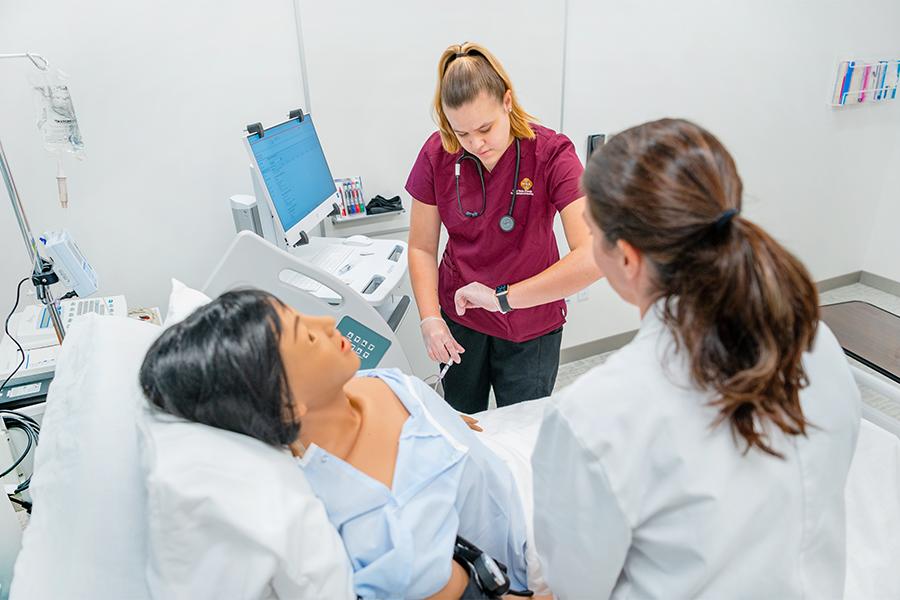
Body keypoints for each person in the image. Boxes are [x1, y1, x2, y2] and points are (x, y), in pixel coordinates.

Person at [531, 118, 861, 598]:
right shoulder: (814, 343)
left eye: (591, 236)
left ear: (626, 258)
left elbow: (575, 587)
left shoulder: (596, 416)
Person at [139, 289, 532, 599]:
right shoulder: (379, 530)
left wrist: (442, 421)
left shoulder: (379, 383)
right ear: (288, 403)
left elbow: (426, 415)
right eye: (307, 335)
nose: (326, 321)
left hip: (513, 474)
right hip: (520, 563)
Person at [405, 42, 602, 413]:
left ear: (507, 102)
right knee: (463, 423)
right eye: (462, 133)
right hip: (460, 321)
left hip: (531, 322)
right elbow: (421, 248)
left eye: (485, 128)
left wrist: (502, 299)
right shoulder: (437, 152)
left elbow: (593, 255)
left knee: (523, 428)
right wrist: (430, 318)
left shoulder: (551, 153)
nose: (475, 143)